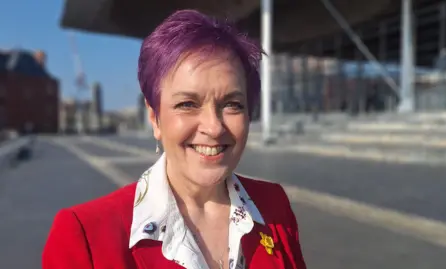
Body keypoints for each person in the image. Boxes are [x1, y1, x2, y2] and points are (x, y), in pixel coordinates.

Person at [42, 9, 306, 269]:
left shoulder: (273, 206)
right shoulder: (84, 236)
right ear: (155, 118)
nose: (214, 127)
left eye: (232, 104)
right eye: (188, 103)